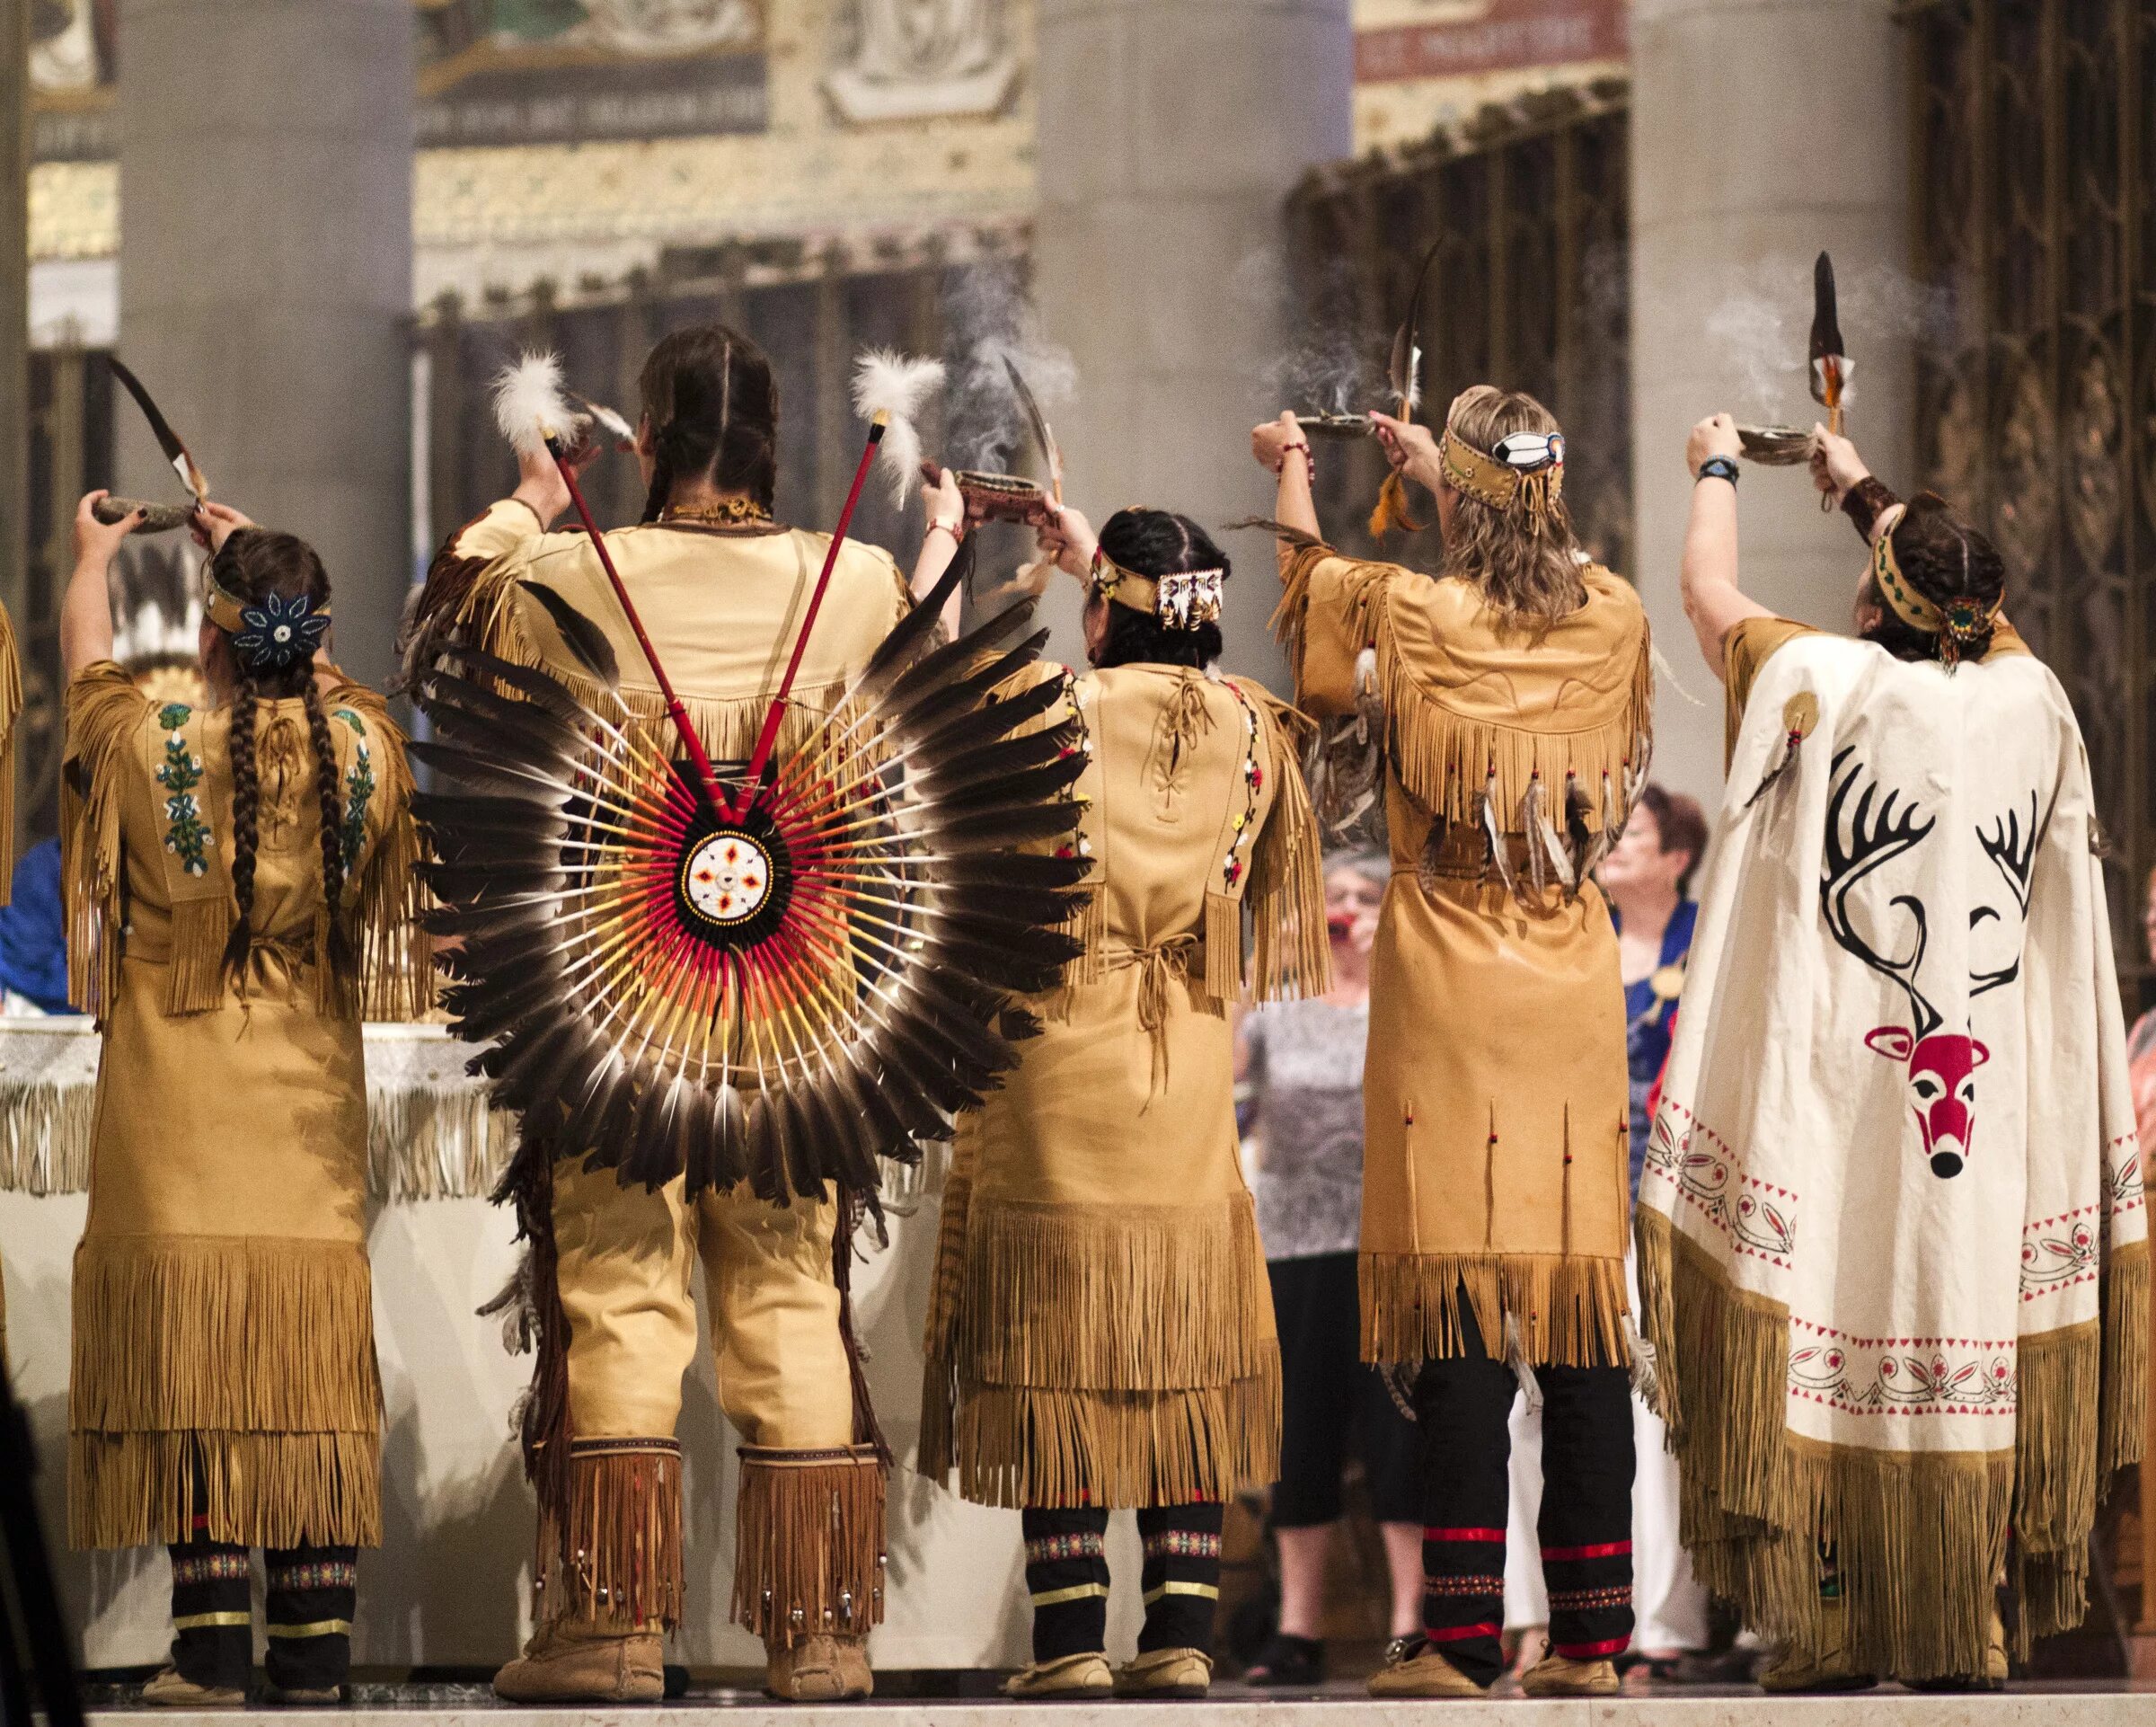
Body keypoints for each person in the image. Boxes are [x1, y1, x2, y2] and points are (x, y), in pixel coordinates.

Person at [414, 323, 964, 1705]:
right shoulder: (857, 577)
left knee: (619, 1290)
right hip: (800, 998)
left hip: (616, 997)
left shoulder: (565, 571)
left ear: (646, 442)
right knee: (790, 1287)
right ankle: (822, 1634)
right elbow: (923, 725)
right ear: (777, 443)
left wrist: (531, 498)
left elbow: (444, 626)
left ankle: (608, 1632)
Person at [1645, 414, 2146, 1691]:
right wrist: (1860, 483)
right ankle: (1961, 1619)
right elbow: (1975, 604)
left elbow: (1706, 596)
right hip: (1984, 1109)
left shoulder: (1827, 679)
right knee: (1963, 1327)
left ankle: (1826, 1623)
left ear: (1874, 605)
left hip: (1846, 1090)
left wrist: (1716, 463)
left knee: (1826, 1324)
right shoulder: (2032, 698)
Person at [1252, 385, 1652, 1700]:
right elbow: (1537, 581)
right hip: (1574, 975)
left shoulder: (1419, 613)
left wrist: (1294, 474)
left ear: (1462, 501)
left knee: (1465, 1303)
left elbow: (1317, 624)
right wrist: (1447, 476)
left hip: (1450, 978)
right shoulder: (1616, 614)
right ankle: (1596, 1637)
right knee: (1580, 1298)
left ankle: (1465, 1637)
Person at [919, 504, 1327, 1701]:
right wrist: (1099, 561)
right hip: (1189, 1047)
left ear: (1102, 608)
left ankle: (1069, 1644)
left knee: (1064, 1347)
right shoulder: (1256, 726)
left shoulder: (1051, 709)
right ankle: (1185, 1634)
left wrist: (950, 536)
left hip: (1061, 1046)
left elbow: (934, 697)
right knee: (1181, 1344)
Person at [59, 491, 427, 1705]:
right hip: (304, 1123)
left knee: (199, 1371)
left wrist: (94, 556)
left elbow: (84, 663)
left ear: (211, 638)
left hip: (174, 1105)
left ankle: (211, 1648)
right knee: (303, 1377)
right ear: (310, 633)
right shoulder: (366, 749)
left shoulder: (153, 728)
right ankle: (314, 1648)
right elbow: (331, 690)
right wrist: (260, 571)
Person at [1237, 850, 1422, 1684]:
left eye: (1367, 895)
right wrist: (1264, 961)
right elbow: (1222, 1077)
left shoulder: (1413, 1002)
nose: (1350, 908)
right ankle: (1298, 1627)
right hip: (1294, 1247)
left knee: (1400, 1436)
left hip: (1394, 1244)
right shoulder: (1278, 1001)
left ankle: (1411, 1624)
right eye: (1335, 896)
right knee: (1300, 1436)